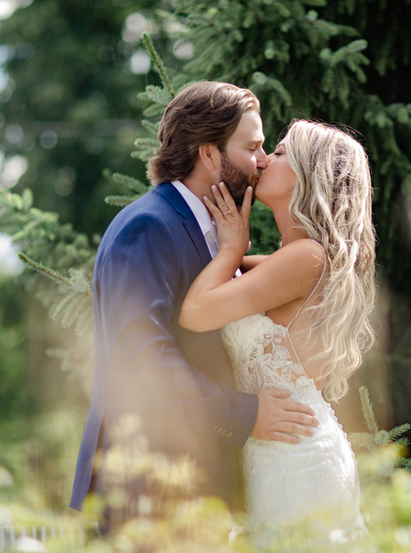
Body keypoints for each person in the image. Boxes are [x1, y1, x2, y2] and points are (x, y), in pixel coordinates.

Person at [69, 82, 319, 527]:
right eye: (253, 147)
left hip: (196, 491)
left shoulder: (218, 234)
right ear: (208, 154)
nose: (262, 161)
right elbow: (142, 361)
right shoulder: (148, 227)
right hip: (146, 491)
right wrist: (246, 414)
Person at [179, 119, 376, 543]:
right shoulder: (291, 257)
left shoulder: (305, 258)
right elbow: (222, 276)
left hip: (299, 460)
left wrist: (232, 247)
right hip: (277, 452)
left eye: (282, 153)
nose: (265, 159)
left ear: (311, 174)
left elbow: (196, 311)